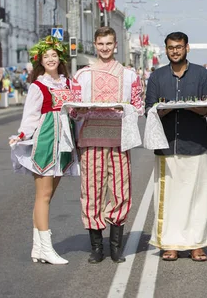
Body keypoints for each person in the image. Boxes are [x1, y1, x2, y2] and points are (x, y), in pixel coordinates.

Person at [73, 27, 145, 264]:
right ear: (95, 44)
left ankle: (115, 247)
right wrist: (81, 109)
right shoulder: (82, 75)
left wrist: (125, 109)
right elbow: (72, 108)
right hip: (91, 138)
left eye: (109, 44)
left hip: (119, 139)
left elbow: (138, 106)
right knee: (92, 191)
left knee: (120, 191)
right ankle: (96, 247)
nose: (105, 48)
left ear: (116, 45)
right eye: (101, 44)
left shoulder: (130, 75)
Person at [145, 32, 207, 262]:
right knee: (169, 198)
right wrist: (164, 108)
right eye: (171, 47)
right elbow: (150, 109)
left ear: (187, 48)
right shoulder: (156, 77)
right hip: (167, 144)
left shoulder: (202, 74)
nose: (175, 51)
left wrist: (192, 106)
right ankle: (171, 244)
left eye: (179, 47)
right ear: (165, 50)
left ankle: (197, 244)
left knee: (198, 197)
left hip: (195, 142)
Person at [9, 36, 79, 265]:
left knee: (48, 196)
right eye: (46, 56)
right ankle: (46, 249)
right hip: (47, 141)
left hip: (64, 143)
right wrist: (21, 135)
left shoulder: (67, 83)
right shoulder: (38, 85)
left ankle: (38, 248)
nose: (51, 59)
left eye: (54, 55)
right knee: (44, 195)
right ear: (40, 60)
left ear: (60, 59)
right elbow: (30, 115)